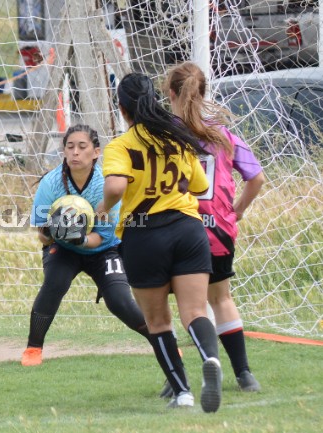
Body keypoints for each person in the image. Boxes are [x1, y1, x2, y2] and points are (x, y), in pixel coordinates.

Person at [101, 73, 223, 412]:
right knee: (196, 311)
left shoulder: (121, 145)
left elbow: (114, 187)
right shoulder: (179, 137)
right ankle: (210, 359)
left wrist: (100, 211)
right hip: (188, 229)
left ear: (122, 108)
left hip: (144, 233)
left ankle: (183, 393)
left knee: (158, 322)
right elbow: (199, 187)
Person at [164, 61, 264, 392]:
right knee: (220, 298)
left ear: (170, 93)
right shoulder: (223, 134)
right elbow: (257, 177)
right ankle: (244, 373)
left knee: (173, 305)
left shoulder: (164, 134)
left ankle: (174, 378)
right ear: (204, 92)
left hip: (174, 226)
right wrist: (236, 212)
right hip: (217, 227)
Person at [22, 124, 151, 367]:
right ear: (64, 151)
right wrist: (53, 232)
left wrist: (79, 237)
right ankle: (33, 348)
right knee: (54, 283)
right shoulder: (50, 183)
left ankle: (162, 341)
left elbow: (101, 237)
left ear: (96, 152)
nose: (75, 153)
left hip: (104, 249)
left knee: (119, 300)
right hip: (63, 249)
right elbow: (42, 236)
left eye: (82, 147)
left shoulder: (106, 184)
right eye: (70, 147)